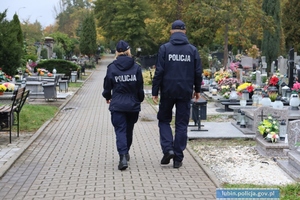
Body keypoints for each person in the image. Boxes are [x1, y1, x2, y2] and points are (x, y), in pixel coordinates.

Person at [151, 20, 202, 168]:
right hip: (185, 91)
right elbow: (197, 72)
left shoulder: (165, 49)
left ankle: (168, 149)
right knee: (181, 124)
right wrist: (197, 90)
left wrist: (155, 91)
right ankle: (178, 158)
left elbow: (159, 71)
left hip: (167, 91)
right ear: (184, 31)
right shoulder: (192, 50)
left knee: (164, 120)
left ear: (171, 31)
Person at [102, 40, 145, 170]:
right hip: (132, 105)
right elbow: (140, 87)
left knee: (120, 130)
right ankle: (125, 153)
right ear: (128, 51)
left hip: (117, 105)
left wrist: (108, 97)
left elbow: (107, 86)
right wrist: (139, 99)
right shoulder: (136, 67)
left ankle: (122, 156)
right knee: (129, 129)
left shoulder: (112, 68)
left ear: (117, 52)